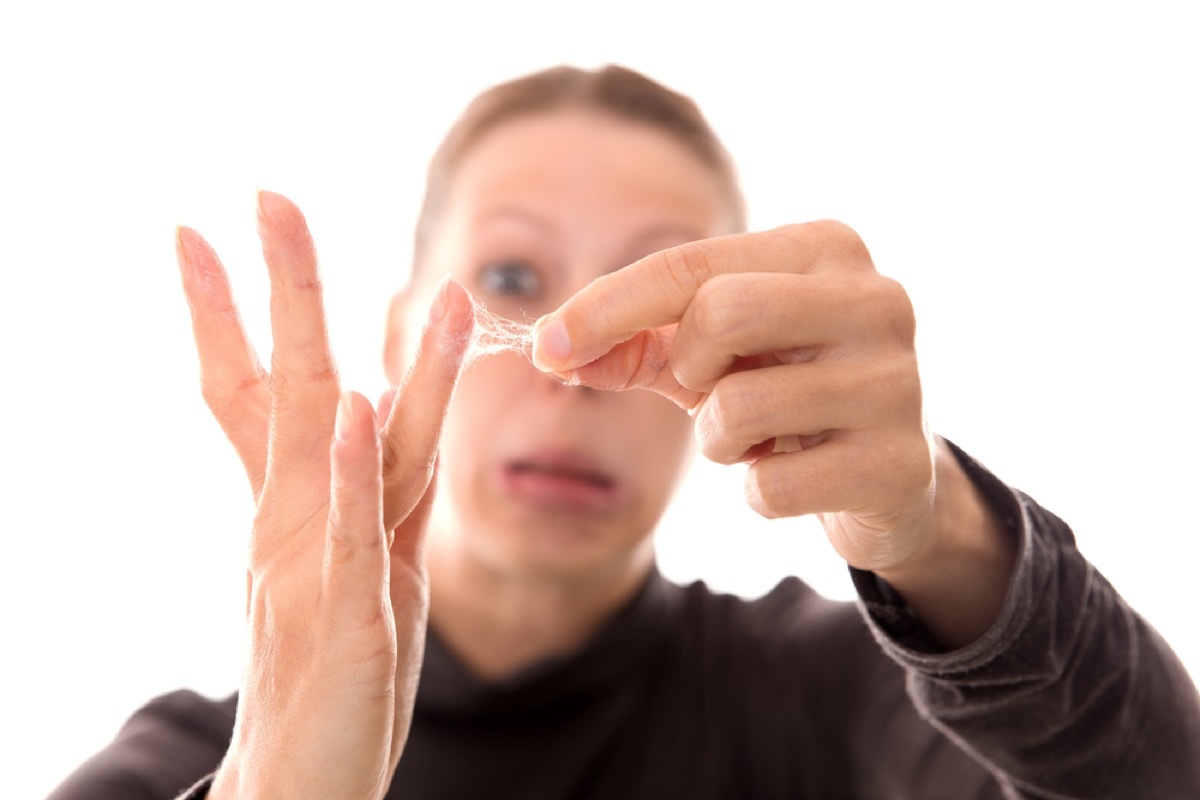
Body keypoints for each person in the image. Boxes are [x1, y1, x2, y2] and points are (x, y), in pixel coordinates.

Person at [49, 65, 1200, 800]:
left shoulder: (828, 698)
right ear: (403, 334)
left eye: (655, 300)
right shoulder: (176, 759)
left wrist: (936, 526)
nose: (572, 366)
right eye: (509, 275)